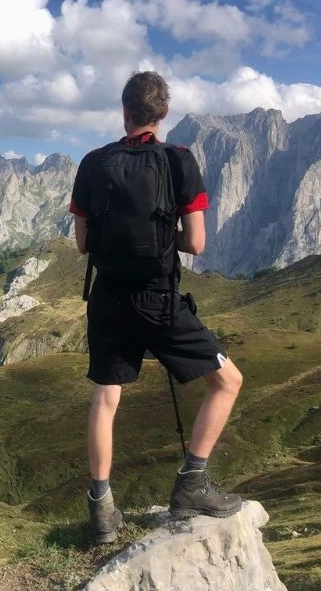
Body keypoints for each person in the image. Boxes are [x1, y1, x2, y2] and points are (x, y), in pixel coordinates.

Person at [69, 71, 245, 545]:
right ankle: (192, 483)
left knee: (106, 399)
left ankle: (102, 510)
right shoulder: (178, 160)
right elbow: (198, 243)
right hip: (159, 300)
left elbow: (83, 244)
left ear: (124, 111)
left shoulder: (92, 162)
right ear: (162, 114)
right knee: (227, 381)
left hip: (106, 299)